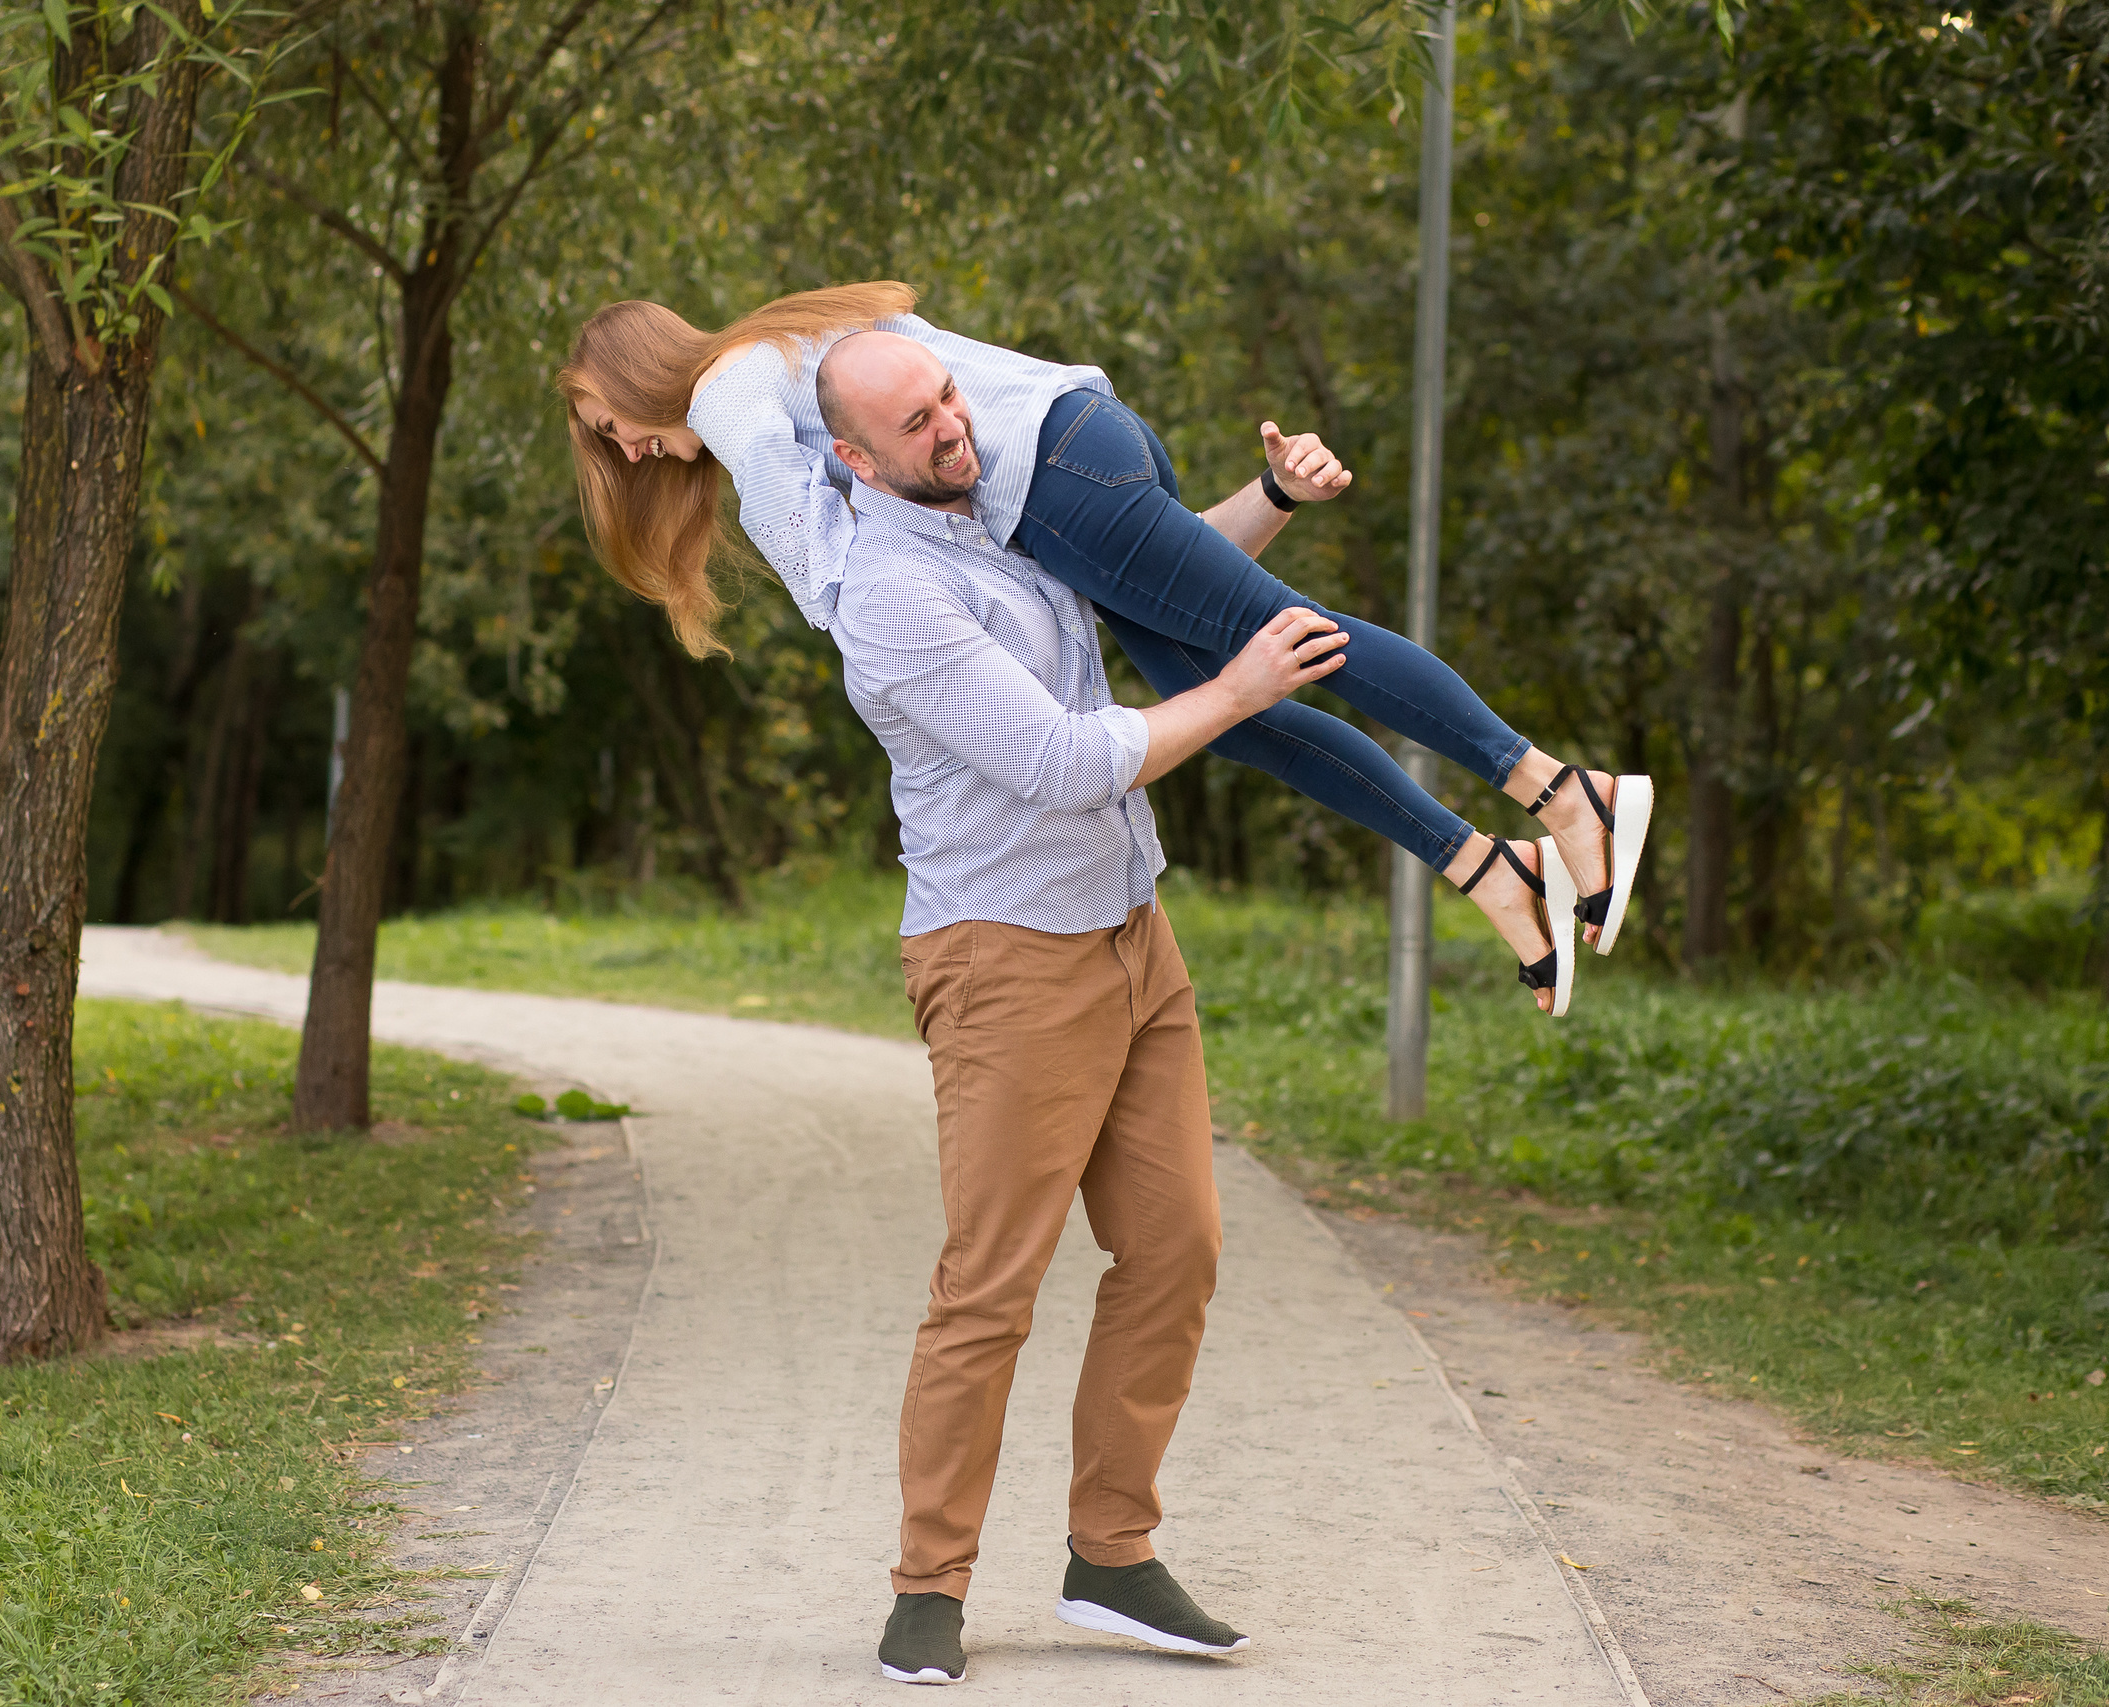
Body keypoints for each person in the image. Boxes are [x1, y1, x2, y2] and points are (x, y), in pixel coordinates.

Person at [557, 283, 1653, 1015]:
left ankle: (1561, 791)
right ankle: (1488, 868)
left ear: (638, 373)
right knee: (1241, 716)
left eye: (607, 421)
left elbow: (810, 556)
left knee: (1294, 642)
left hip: (1053, 473)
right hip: (1075, 462)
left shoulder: (725, 386)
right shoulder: (773, 357)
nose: (624, 448)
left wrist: (861, 605)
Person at [815, 329, 1352, 1684]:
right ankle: (927, 1585)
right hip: (1004, 961)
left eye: (946, 397)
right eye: (915, 421)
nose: (951, 426)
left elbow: (1158, 581)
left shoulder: (999, 512)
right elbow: (1063, 762)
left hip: (1130, 932)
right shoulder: (884, 591)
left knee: (1176, 1249)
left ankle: (1110, 1552)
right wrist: (1238, 695)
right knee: (989, 1286)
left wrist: (1271, 505)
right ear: (851, 459)